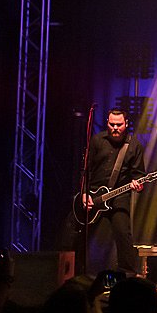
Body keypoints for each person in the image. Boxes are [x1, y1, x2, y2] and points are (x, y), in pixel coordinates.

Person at [61, 109, 145, 274]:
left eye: (119, 125)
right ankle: (74, 274)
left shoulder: (134, 145)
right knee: (75, 235)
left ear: (126, 124)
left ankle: (127, 275)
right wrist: (84, 193)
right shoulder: (97, 140)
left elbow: (139, 176)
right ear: (107, 122)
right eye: (112, 124)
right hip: (93, 195)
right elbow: (86, 170)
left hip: (119, 196)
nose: (115, 128)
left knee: (123, 235)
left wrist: (138, 185)